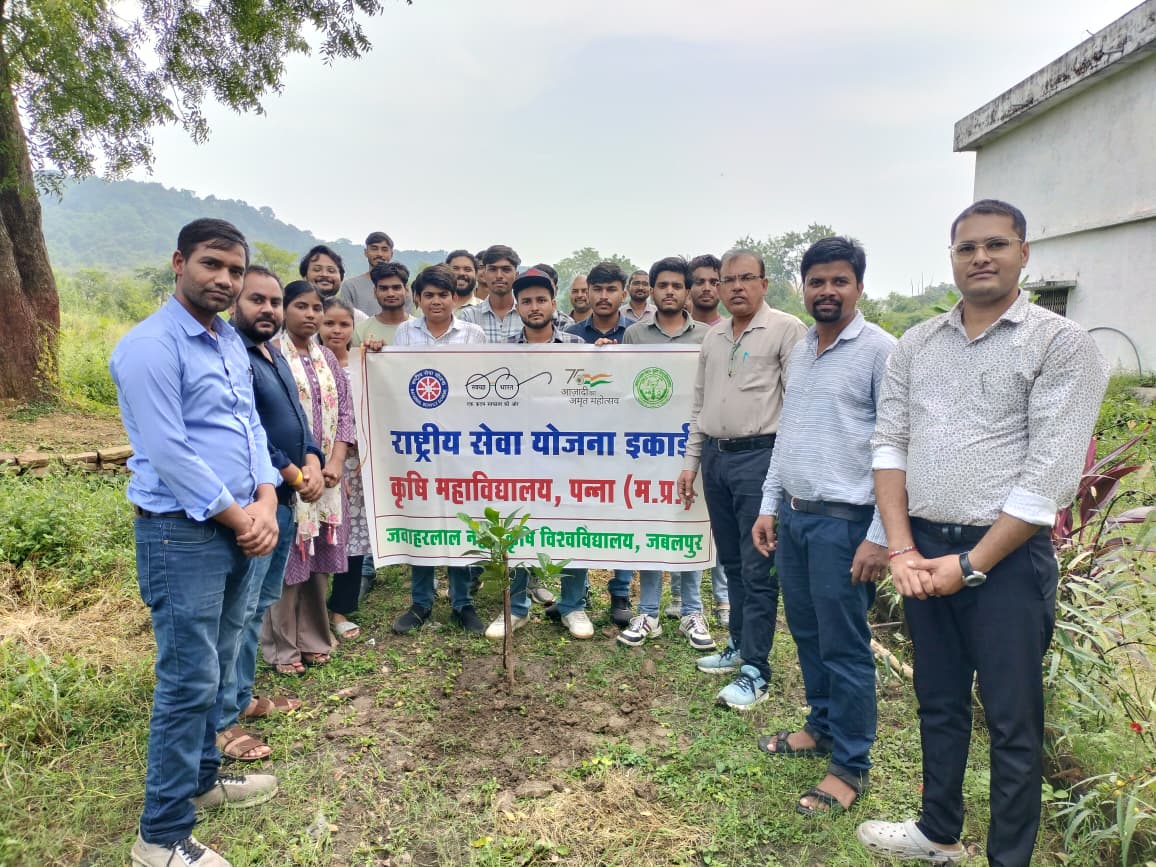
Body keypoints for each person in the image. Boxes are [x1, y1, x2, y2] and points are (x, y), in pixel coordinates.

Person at [856, 200, 1109, 866]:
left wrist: (970, 564)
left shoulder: (1060, 344)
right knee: (938, 702)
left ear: (1024, 253)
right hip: (923, 551)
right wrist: (903, 547)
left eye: (996, 244)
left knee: (1011, 720)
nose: (981, 258)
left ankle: (1007, 858)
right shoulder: (918, 344)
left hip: (1007, 561)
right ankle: (937, 831)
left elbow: (1047, 476)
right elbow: (890, 444)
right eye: (966, 248)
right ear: (952, 258)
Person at [111, 218, 279, 866]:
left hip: (242, 524)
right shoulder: (149, 347)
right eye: (212, 264)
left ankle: (204, 781)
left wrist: (266, 497)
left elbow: (250, 427)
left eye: (235, 270)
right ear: (179, 262)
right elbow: (169, 451)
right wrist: (243, 518)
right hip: (182, 534)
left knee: (223, 658)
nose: (225, 280)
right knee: (188, 678)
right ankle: (159, 835)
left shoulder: (228, 341)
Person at [749, 237, 893, 817]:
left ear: (859, 286)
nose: (827, 291)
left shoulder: (882, 351)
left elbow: (897, 446)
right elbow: (788, 436)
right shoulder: (802, 349)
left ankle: (850, 765)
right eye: (817, 281)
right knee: (808, 634)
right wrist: (769, 504)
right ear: (803, 287)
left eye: (839, 281)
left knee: (845, 646)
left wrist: (880, 534)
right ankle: (821, 727)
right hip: (795, 516)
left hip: (845, 524)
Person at [678, 248, 807, 709]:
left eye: (745, 278)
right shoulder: (714, 337)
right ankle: (737, 645)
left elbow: (797, 408)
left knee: (756, 569)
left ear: (764, 284)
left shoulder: (786, 330)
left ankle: (756, 670)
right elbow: (699, 404)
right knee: (731, 561)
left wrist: (780, 475)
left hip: (761, 459)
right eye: (726, 279)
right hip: (716, 458)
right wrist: (691, 462)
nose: (735, 287)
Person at [217, 266, 325, 764]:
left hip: (282, 500)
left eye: (274, 301)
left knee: (258, 605)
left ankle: (242, 697)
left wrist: (313, 459)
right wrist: (294, 472)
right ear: (234, 302)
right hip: (256, 500)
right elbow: (252, 429)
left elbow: (298, 419)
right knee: (236, 613)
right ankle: (223, 719)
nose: (268, 310)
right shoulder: (231, 355)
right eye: (256, 299)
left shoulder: (272, 353)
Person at [482, 268, 594, 641]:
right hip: (518, 457)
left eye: (541, 300)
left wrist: (609, 357)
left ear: (553, 303)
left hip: (568, 455)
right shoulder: (501, 352)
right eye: (527, 301)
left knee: (573, 528)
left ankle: (573, 605)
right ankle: (516, 608)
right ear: (517, 306)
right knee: (517, 527)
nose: (534, 307)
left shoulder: (578, 347)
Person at [617, 257, 714, 652]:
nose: (669, 291)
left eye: (677, 285)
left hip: (691, 448)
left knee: (689, 525)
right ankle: (648, 612)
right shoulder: (634, 335)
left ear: (687, 291)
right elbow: (623, 388)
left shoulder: (708, 335)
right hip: (646, 448)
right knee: (650, 527)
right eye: (663, 285)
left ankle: (692, 611)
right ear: (652, 290)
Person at [260, 281, 355, 673]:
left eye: (317, 308)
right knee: (286, 561)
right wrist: (297, 471)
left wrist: (336, 462)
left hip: (327, 478)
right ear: (285, 310)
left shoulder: (326, 357)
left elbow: (345, 413)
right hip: (285, 476)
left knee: (317, 559)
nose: (311, 315)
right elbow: (266, 420)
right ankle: (282, 648)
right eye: (301, 306)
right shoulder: (270, 354)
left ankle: (314, 638)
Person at [390, 265, 489, 635]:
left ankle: (463, 603)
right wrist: (375, 355)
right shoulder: (405, 332)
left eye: (443, 294)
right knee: (423, 519)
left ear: (455, 298)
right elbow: (393, 380)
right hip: (418, 442)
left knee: (460, 521)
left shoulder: (473, 335)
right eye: (428, 295)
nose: (436, 301)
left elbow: (481, 385)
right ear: (417, 298)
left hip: (461, 443)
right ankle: (421, 602)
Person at [564, 261, 637, 624]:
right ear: (587, 293)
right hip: (579, 442)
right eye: (598, 289)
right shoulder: (570, 335)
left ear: (623, 293)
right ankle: (572, 597)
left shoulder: (638, 335)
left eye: (611, 290)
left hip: (625, 442)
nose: (604, 296)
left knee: (622, 515)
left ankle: (620, 592)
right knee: (574, 517)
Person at [318, 296, 374, 643]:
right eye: (329, 323)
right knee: (318, 536)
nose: (336, 331)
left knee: (353, 537)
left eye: (344, 324)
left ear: (354, 328)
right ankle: (311, 610)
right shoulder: (306, 364)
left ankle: (340, 608)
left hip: (356, 465)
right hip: (316, 463)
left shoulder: (363, 364)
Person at [687, 253, 730, 627]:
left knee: (721, 525)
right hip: (676, 444)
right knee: (685, 518)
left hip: (720, 443)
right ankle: (684, 601)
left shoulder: (730, 332)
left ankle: (723, 599)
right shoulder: (657, 331)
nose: (707, 288)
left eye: (714, 281)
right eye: (698, 281)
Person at [459, 245, 572, 342]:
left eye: (506, 269)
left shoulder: (540, 315)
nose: (499, 276)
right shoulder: (469, 316)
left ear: (516, 274)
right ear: (484, 274)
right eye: (493, 269)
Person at [339, 231, 410, 317]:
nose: (379, 254)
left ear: (391, 254)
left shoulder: (402, 288)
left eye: (384, 249)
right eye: (374, 249)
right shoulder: (350, 286)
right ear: (366, 252)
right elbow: (344, 317)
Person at [352, 261, 412, 348]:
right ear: (375, 292)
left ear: (406, 291)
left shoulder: (421, 329)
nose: (390, 294)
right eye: (384, 288)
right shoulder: (360, 331)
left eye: (396, 288)